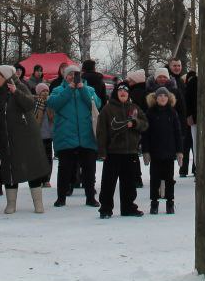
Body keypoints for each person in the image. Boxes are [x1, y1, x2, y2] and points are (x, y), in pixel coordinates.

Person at [0, 64, 50, 214]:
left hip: (27, 136)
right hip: (7, 138)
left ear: (6, 77)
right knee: (9, 169)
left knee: (32, 167)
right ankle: (11, 203)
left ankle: (38, 203)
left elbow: (29, 104)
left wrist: (16, 92)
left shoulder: (20, 87)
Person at [48, 62, 103, 208]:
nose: (73, 77)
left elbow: (96, 104)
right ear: (65, 76)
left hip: (86, 135)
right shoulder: (58, 90)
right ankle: (61, 197)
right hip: (66, 134)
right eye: (70, 74)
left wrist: (82, 89)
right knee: (65, 168)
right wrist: (69, 90)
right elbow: (53, 104)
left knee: (89, 169)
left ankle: (90, 197)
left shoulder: (89, 89)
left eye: (75, 74)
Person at [96, 81, 148, 218]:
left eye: (125, 91)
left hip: (130, 152)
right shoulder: (108, 109)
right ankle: (106, 209)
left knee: (129, 183)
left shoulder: (134, 108)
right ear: (116, 93)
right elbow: (101, 131)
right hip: (113, 152)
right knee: (108, 183)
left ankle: (128, 207)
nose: (123, 93)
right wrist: (102, 151)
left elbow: (145, 124)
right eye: (120, 91)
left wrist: (135, 123)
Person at [143, 85, 183, 214]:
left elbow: (178, 132)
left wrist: (179, 151)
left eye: (165, 95)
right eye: (160, 95)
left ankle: (170, 202)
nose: (162, 98)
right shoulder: (150, 113)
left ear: (169, 98)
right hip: (155, 152)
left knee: (169, 179)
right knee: (154, 178)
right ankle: (154, 203)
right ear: (155, 98)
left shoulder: (172, 112)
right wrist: (146, 151)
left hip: (169, 152)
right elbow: (146, 134)